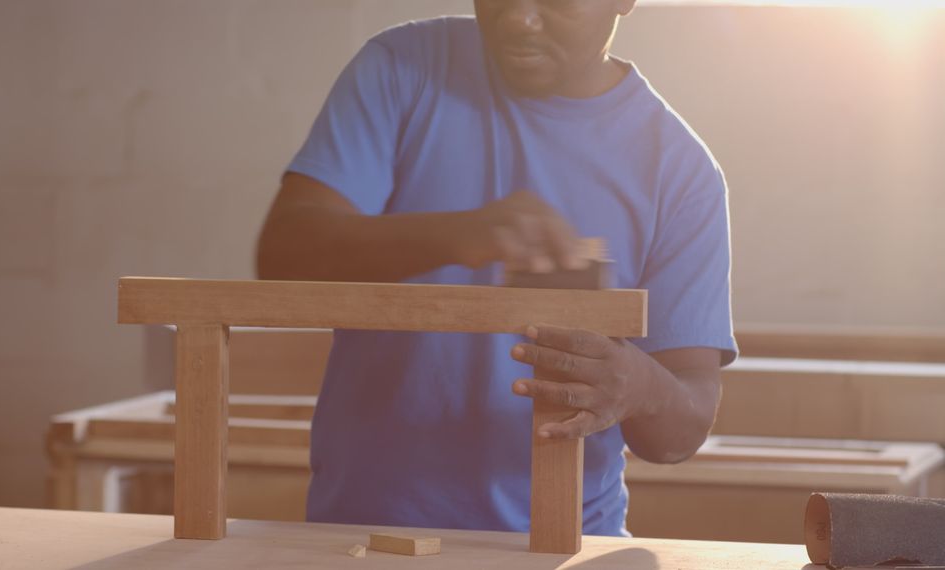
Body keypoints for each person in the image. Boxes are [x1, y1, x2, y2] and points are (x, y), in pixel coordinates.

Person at [256, 0, 735, 537]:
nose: (518, 18)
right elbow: (282, 255)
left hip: (562, 545)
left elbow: (681, 429)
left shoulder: (681, 171)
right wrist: (455, 234)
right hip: (363, 541)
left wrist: (637, 385)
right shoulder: (404, 66)